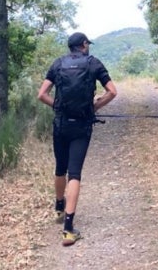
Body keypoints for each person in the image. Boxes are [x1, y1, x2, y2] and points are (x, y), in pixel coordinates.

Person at [37, 32, 117, 246]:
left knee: (60, 168)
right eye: (87, 44)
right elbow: (112, 92)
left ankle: (58, 207)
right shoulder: (93, 64)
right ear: (83, 45)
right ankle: (69, 229)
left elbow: (41, 94)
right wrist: (95, 107)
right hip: (81, 125)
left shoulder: (58, 64)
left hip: (60, 124)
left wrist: (58, 107)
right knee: (75, 173)